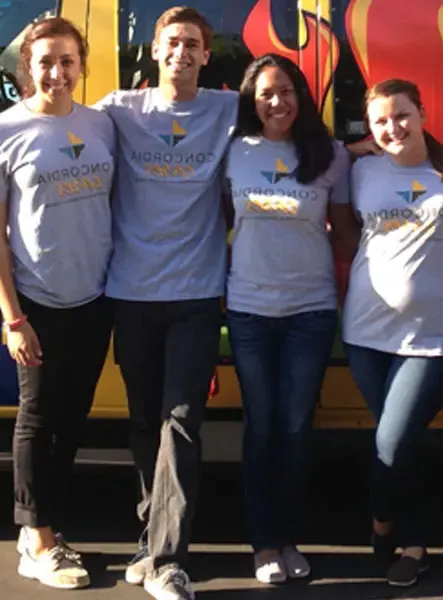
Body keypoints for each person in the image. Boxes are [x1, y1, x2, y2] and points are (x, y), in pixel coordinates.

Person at [94, 7, 238, 600]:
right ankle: (148, 535)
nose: (182, 52)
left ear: (207, 55)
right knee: (142, 422)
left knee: (181, 423)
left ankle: (168, 560)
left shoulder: (228, 109)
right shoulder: (116, 110)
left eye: (194, 44)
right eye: (172, 42)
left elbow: (299, 124)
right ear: (154, 51)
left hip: (198, 294)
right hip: (131, 293)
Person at [223, 53, 356, 584]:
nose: (277, 102)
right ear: (251, 102)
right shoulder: (232, 151)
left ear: (302, 96)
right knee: (262, 427)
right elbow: (216, 222)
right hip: (250, 309)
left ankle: (288, 539)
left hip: (311, 310)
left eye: (286, 91)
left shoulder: (330, 155)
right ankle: (263, 546)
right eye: (266, 94)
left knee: (298, 427)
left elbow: (345, 230)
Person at [343, 78, 443, 587]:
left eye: (401, 115)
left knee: (393, 442)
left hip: (436, 337)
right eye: (380, 120)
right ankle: (416, 542)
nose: (392, 127)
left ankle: (383, 528)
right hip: (366, 332)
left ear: (422, 112)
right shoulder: (360, 171)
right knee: (400, 442)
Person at [0, 16, 114, 590]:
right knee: (37, 417)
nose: (57, 72)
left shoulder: (100, 124)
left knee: (72, 419)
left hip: (94, 298)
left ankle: (46, 527)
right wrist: (12, 318)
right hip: (37, 302)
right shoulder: (6, 130)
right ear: (29, 67)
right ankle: (37, 539)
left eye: (67, 60)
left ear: (81, 64)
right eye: (45, 61)